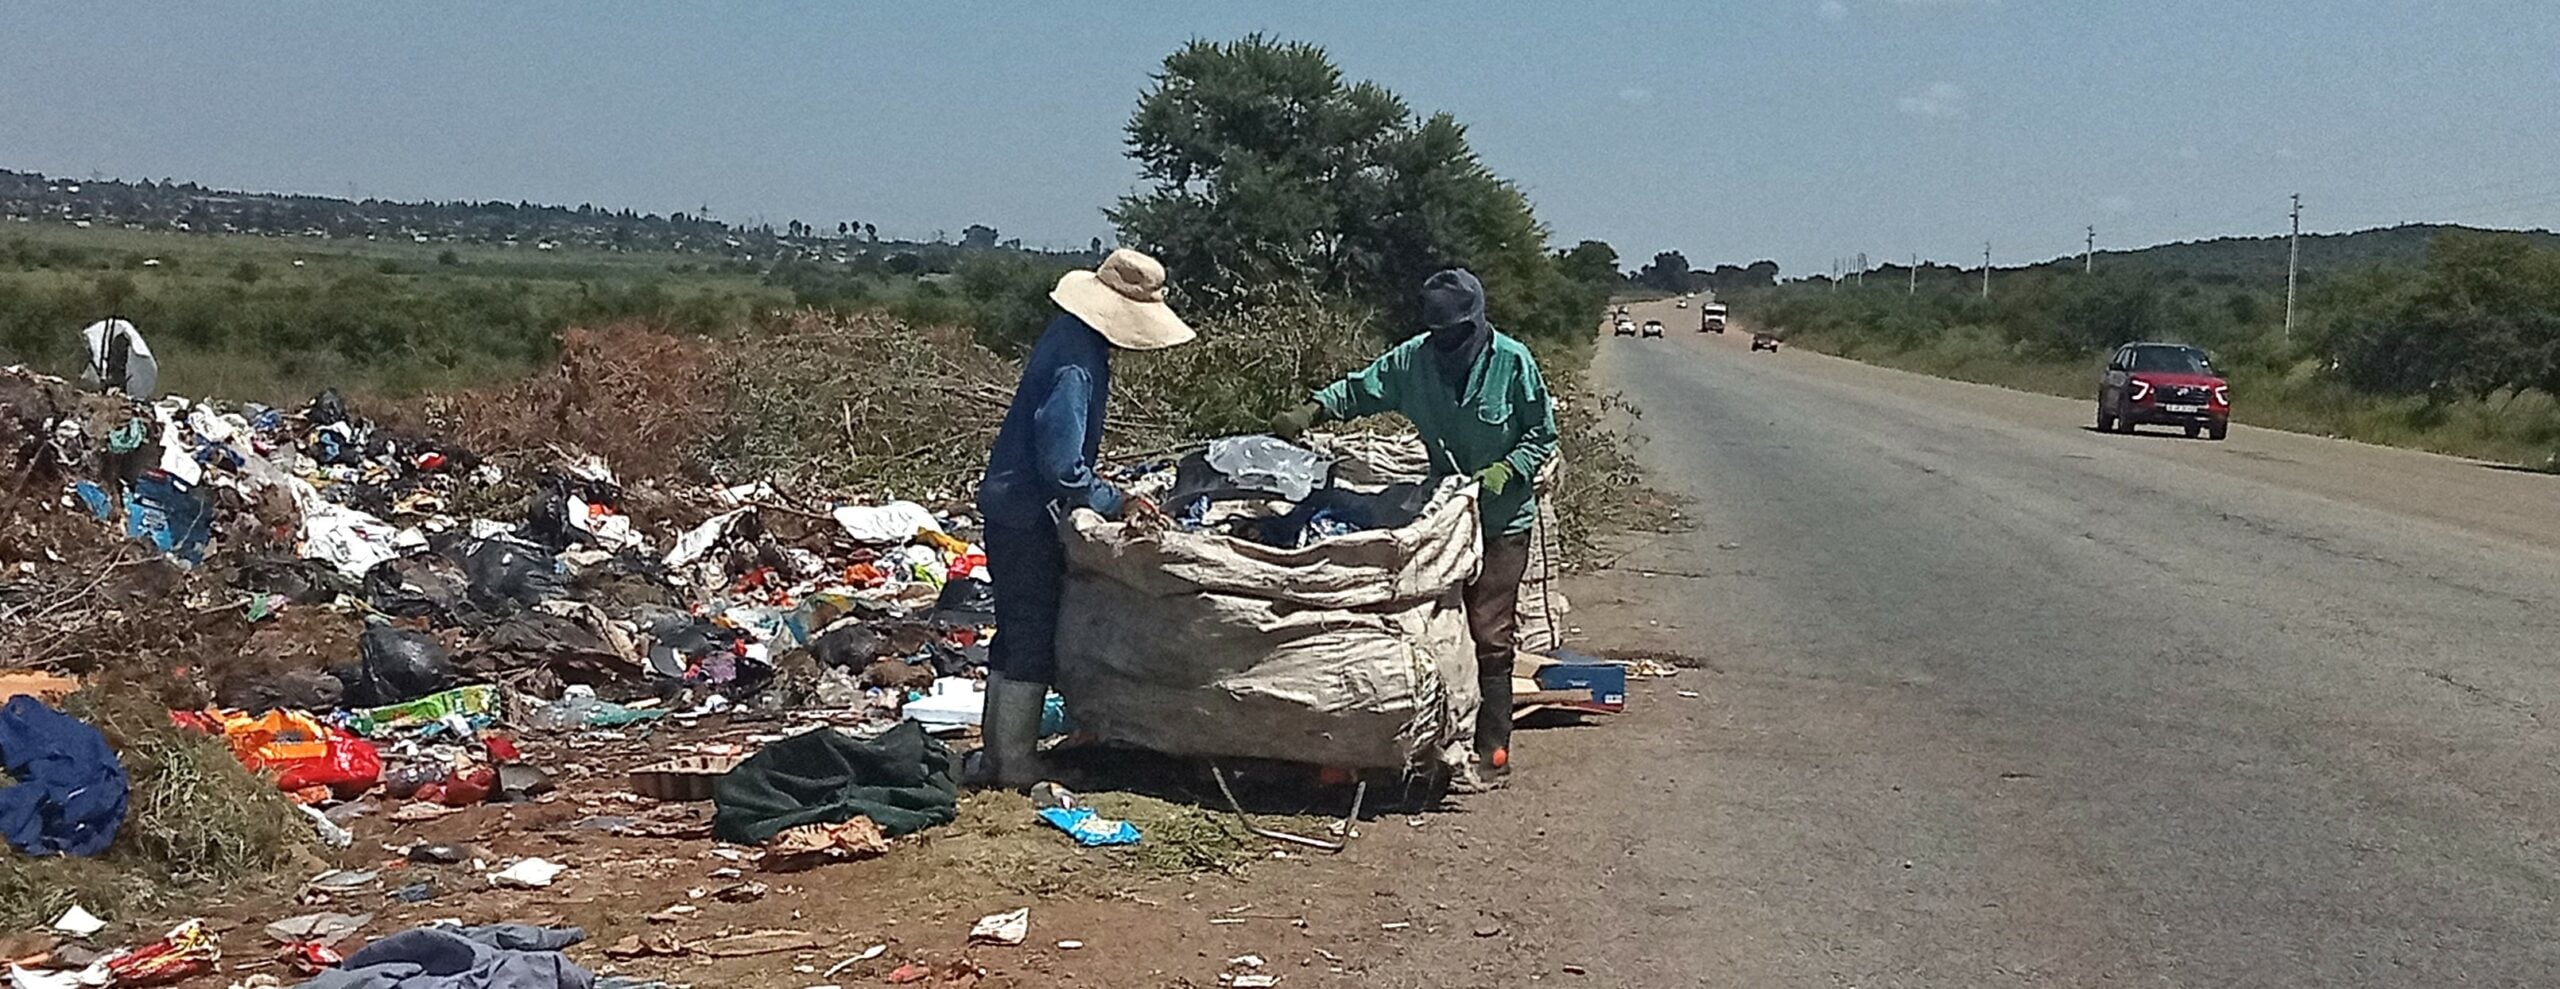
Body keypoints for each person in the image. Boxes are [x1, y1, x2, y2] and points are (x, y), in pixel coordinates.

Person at [1271, 268, 1556, 789]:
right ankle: (1436, 738)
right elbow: (1362, 389)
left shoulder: (1513, 362)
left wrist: (1506, 470)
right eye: (1442, 334)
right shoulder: (1414, 361)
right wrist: (1312, 409)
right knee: (1434, 625)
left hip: (1499, 519)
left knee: (1490, 632)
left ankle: (1494, 747)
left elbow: (1541, 434)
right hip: (1444, 517)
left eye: (1459, 333)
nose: (1451, 343)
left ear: (1477, 323)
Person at [970, 248, 1195, 789]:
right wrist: (1114, 501)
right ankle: (1017, 762)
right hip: (1028, 509)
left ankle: (996, 755)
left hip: (1007, 502)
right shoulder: (1077, 365)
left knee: (1013, 628)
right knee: (1032, 634)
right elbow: (1060, 463)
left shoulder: (1066, 337)